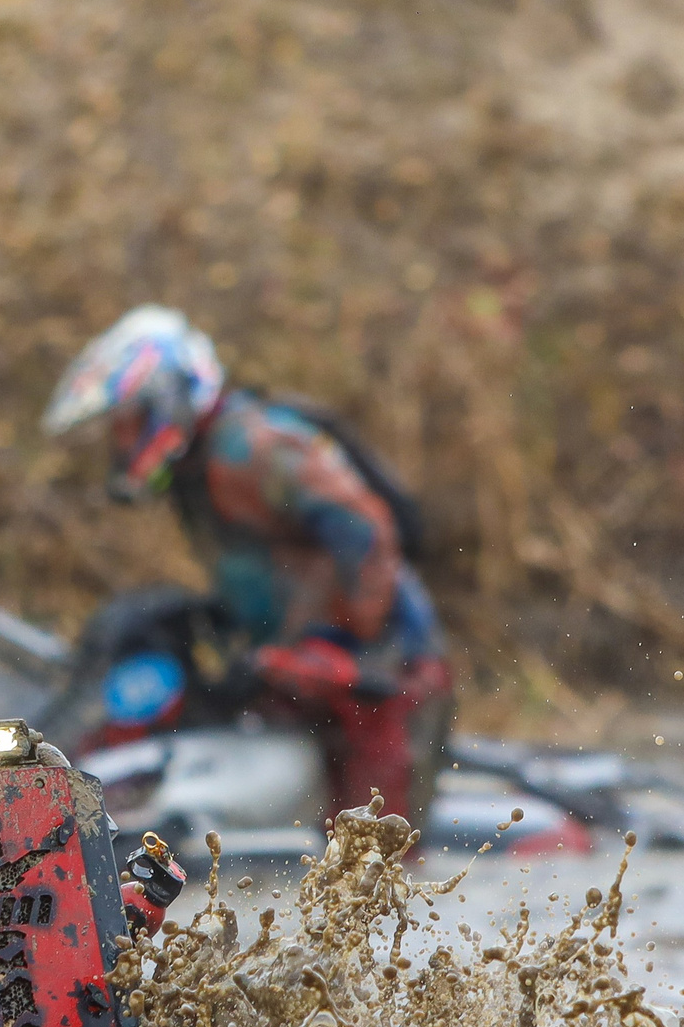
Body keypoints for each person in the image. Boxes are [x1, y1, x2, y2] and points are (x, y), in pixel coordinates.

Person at [42, 306, 453, 826]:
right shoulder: (202, 462)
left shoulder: (251, 444)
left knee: (380, 861)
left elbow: (367, 534)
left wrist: (333, 649)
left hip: (384, 677)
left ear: (168, 397)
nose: (122, 443)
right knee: (328, 850)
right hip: (329, 673)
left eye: (129, 424)